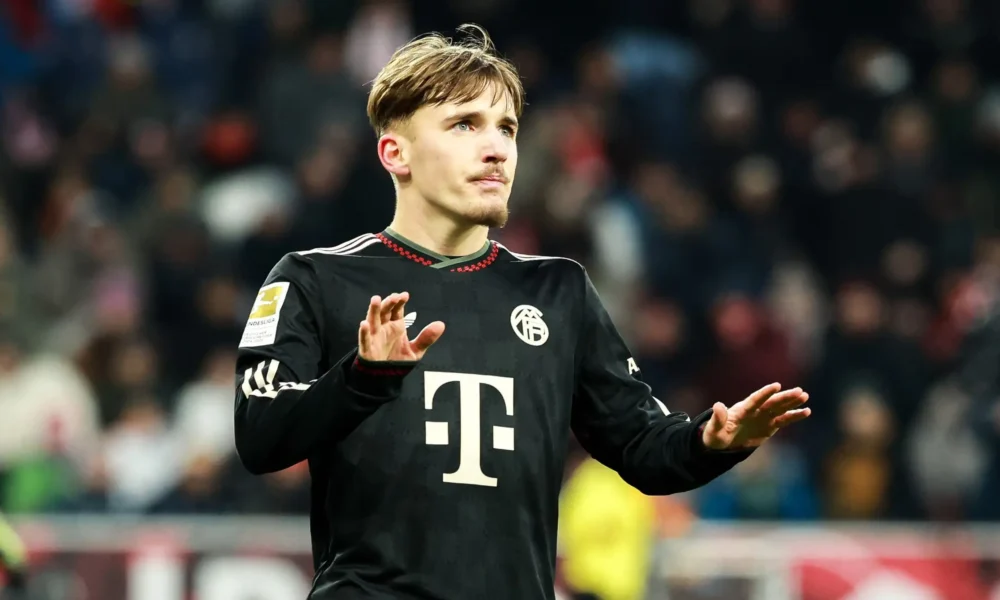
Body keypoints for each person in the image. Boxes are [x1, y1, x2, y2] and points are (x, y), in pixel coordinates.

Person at [233, 24, 811, 600]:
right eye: (465, 124)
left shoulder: (558, 290)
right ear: (395, 152)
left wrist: (713, 443)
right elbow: (262, 438)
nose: (497, 148)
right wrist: (362, 378)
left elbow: (642, 447)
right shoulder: (314, 278)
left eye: (506, 127)